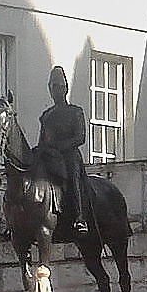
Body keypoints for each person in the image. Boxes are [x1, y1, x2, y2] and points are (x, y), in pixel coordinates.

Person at [37, 65, 92, 236]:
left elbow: (80, 137)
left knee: (73, 177)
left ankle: (79, 217)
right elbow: (42, 140)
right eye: (52, 87)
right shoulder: (47, 115)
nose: (55, 91)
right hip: (49, 156)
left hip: (69, 156)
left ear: (65, 88)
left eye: (58, 87)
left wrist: (59, 148)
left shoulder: (75, 112)